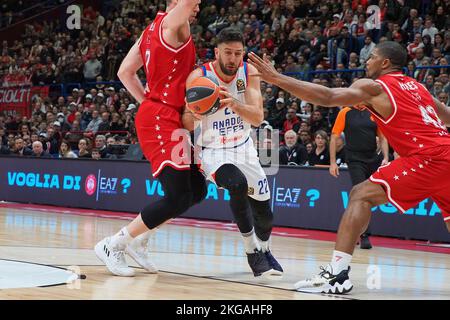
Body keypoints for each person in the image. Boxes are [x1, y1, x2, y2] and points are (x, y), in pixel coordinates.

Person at [249, 41, 450, 294]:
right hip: (446, 153)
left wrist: (277, 78)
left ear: (385, 63)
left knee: (360, 195)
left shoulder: (373, 87)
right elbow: (447, 116)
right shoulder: (419, 88)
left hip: (428, 157)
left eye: (372, 56)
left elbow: (328, 97)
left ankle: (337, 275)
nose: (367, 60)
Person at [95, 0, 205, 277]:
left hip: (163, 113)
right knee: (178, 195)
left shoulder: (149, 31)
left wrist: (149, 102)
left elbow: (124, 72)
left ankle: (141, 237)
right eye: (195, 3)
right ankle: (114, 244)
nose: (198, 6)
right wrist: (155, 106)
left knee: (197, 189)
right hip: (160, 118)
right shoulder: (172, 24)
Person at [183, 28, 283, 278]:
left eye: (238, 53)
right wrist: (197, 114)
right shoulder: (199, 76)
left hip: (244, 147)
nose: (233, 58)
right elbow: (186, 122)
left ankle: (265, 249)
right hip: (212, 150)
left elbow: (258, 118)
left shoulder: (248, 72)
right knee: (236, 184)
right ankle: (251, 251)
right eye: (228, 53)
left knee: (266, 215)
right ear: (217, 52)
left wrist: (233, 103)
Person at [329, 107, 390, 250]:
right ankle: (364, 236)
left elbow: (382, 137)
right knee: (361, 194)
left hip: (373, 158)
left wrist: (386, 157)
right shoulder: (345, 112)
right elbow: (334, 136)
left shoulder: (374, 112)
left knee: (363, 198)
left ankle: (354, 231)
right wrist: (332, 162)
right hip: (355, 159)